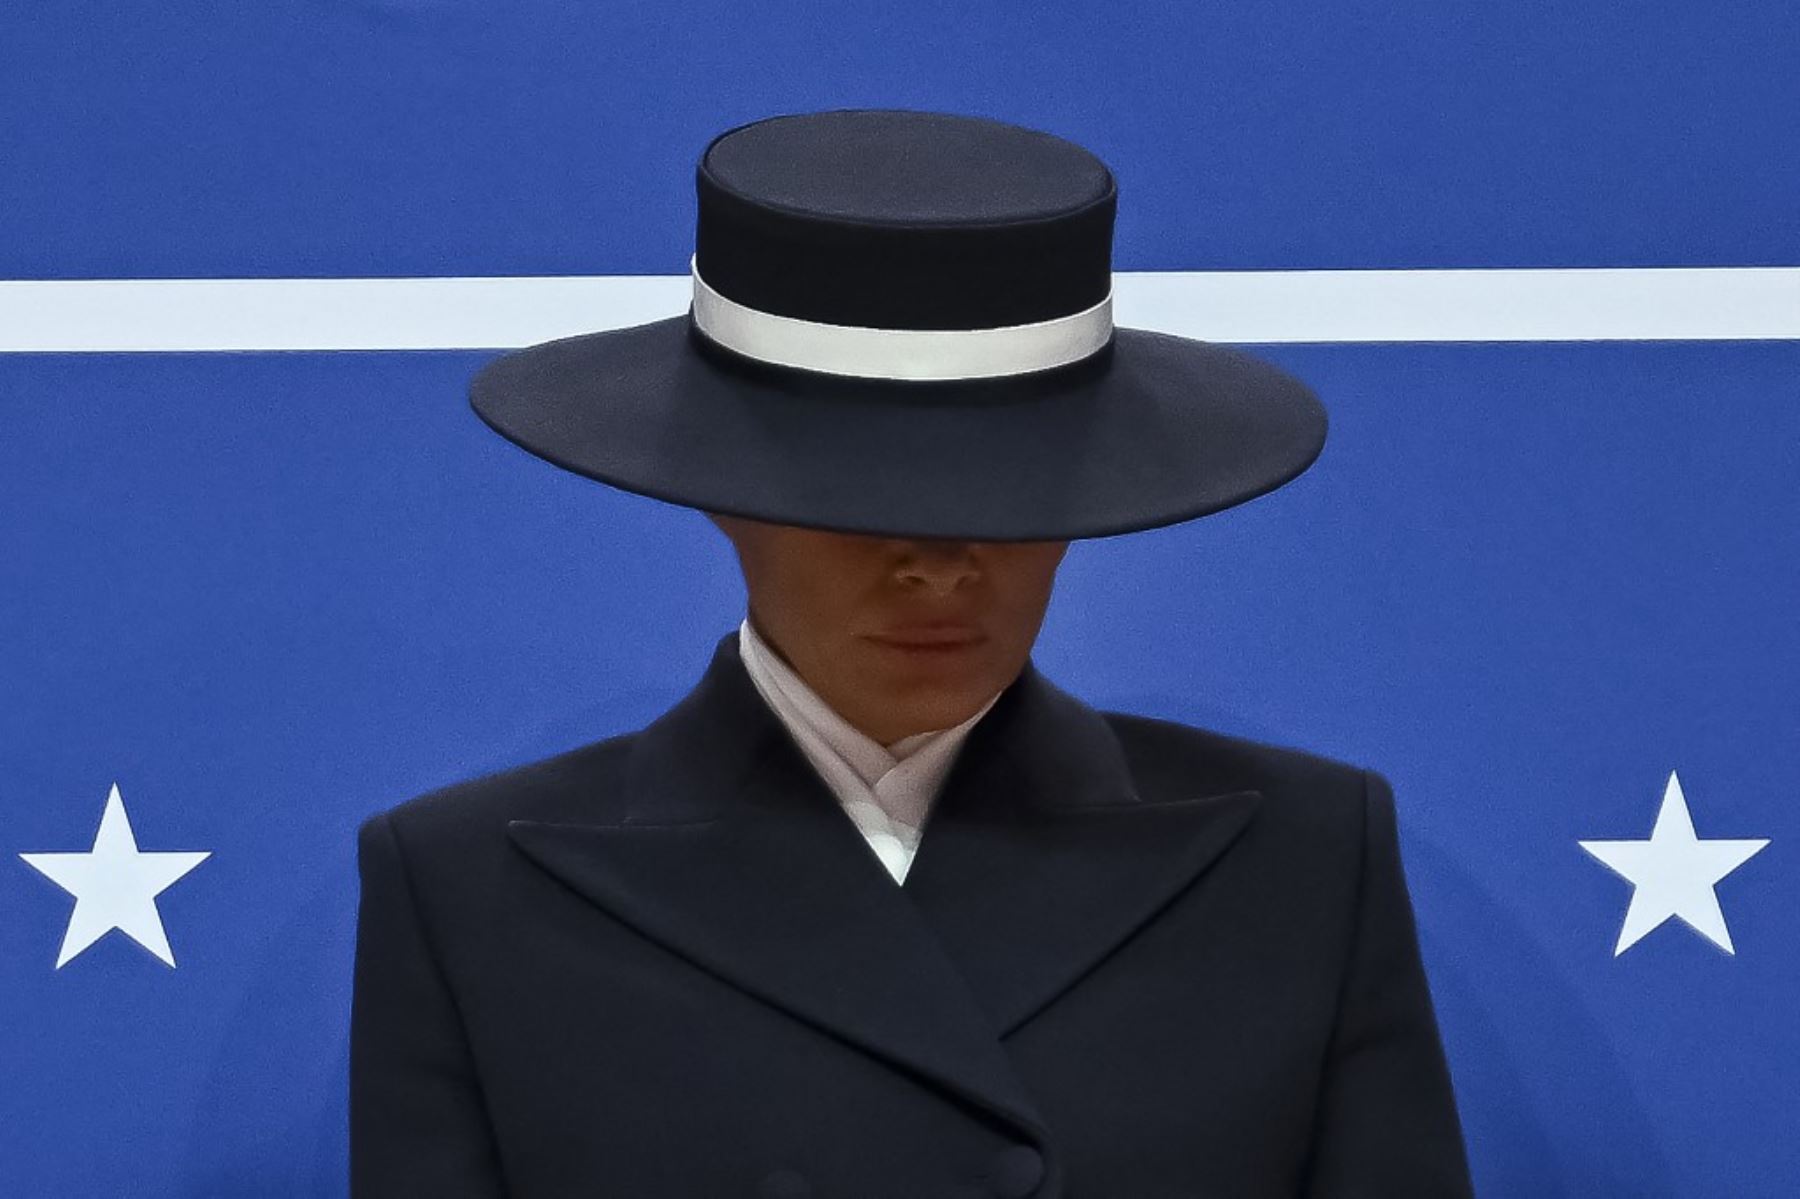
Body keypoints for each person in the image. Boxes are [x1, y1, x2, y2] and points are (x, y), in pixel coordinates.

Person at [349, 108, 1475, 1198]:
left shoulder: (1302, 861)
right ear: (717, 501)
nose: (938, 562)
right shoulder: (469, 889)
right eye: (855, 497)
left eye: (1008, 493)